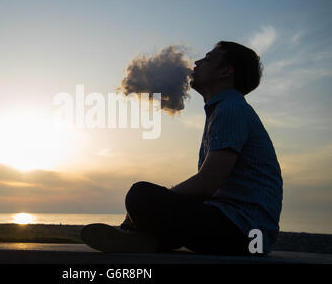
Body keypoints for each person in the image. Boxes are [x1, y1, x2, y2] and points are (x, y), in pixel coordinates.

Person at [80, 41, 283, 255]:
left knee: (140, 194)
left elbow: (206, 185)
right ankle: (144, 240)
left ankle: (136, 234)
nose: (196, 62)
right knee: (151, 201)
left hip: (245, 235)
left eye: (207, 59)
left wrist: (161, 199)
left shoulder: (230, 109)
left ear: (226, 71)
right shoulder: (226, 109)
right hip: (244, 232)